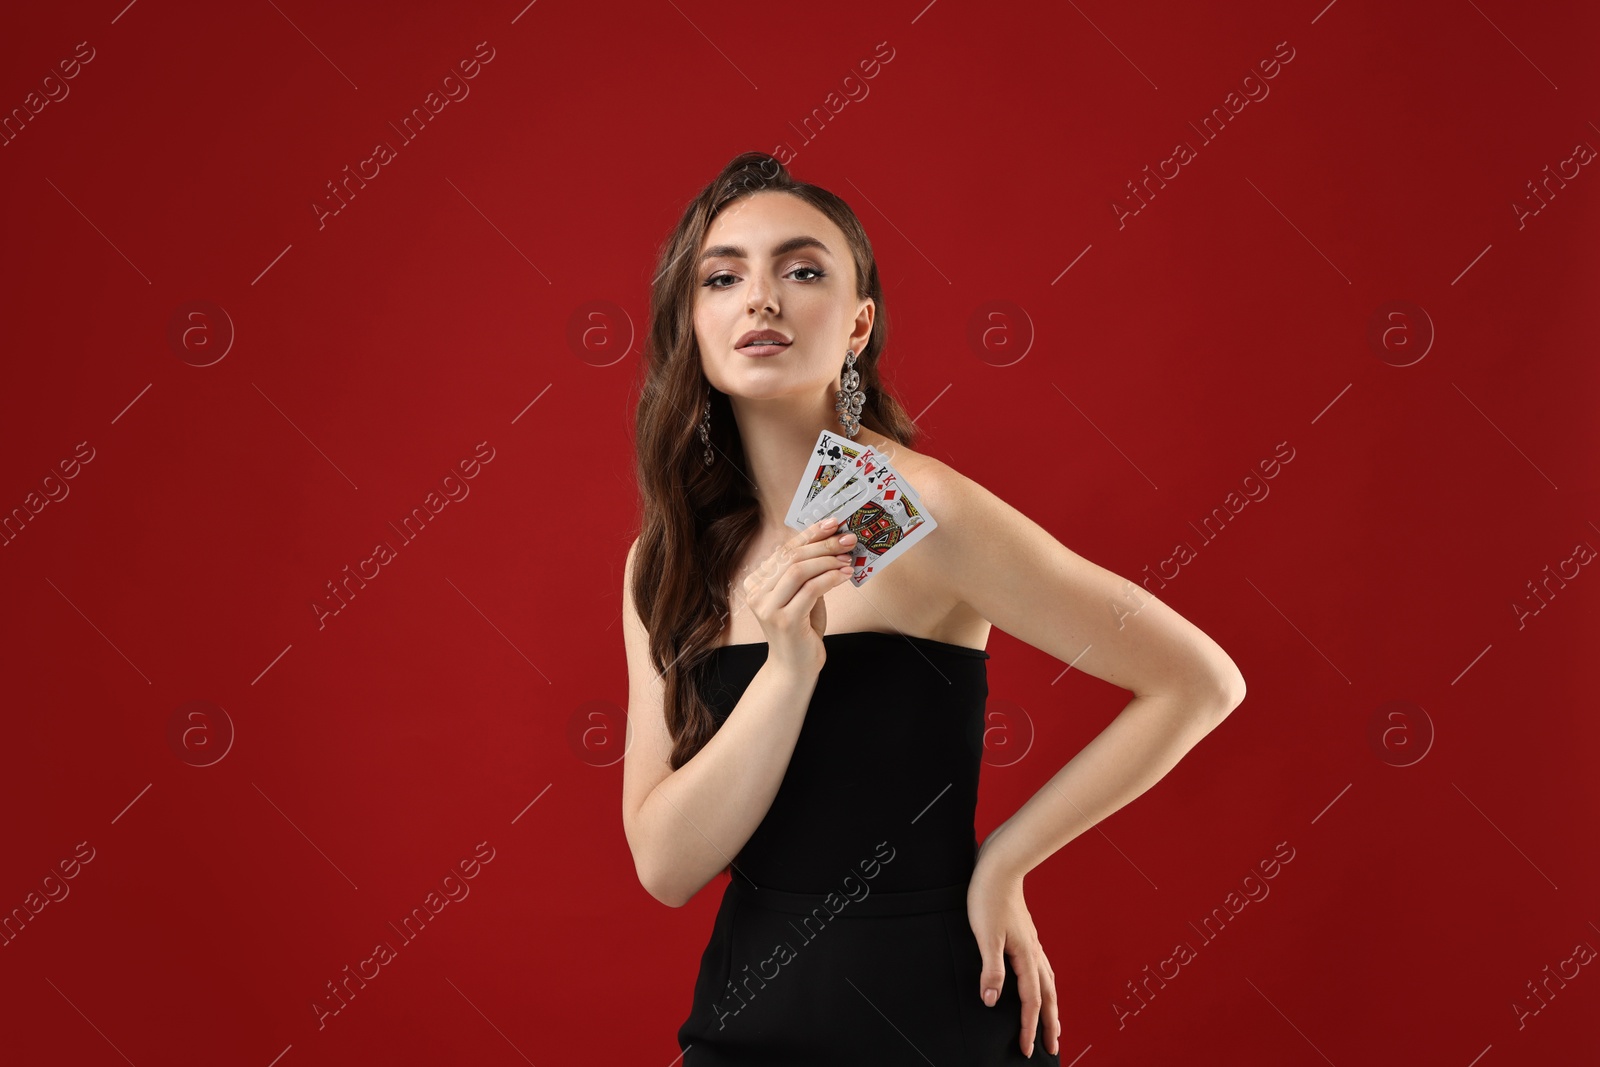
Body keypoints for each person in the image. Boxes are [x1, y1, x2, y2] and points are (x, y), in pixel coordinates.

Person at [620, 151, 1246, 1064]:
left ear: (857, 324)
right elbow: (668, 867)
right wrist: (790, 671)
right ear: (694, 324)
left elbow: (1198, 681)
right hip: (742, 1021)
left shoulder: (917, 509)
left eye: (801, 270)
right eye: (723, 277)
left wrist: (1004, 860)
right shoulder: (665, 560)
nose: (761, 299)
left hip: (933, 1016)